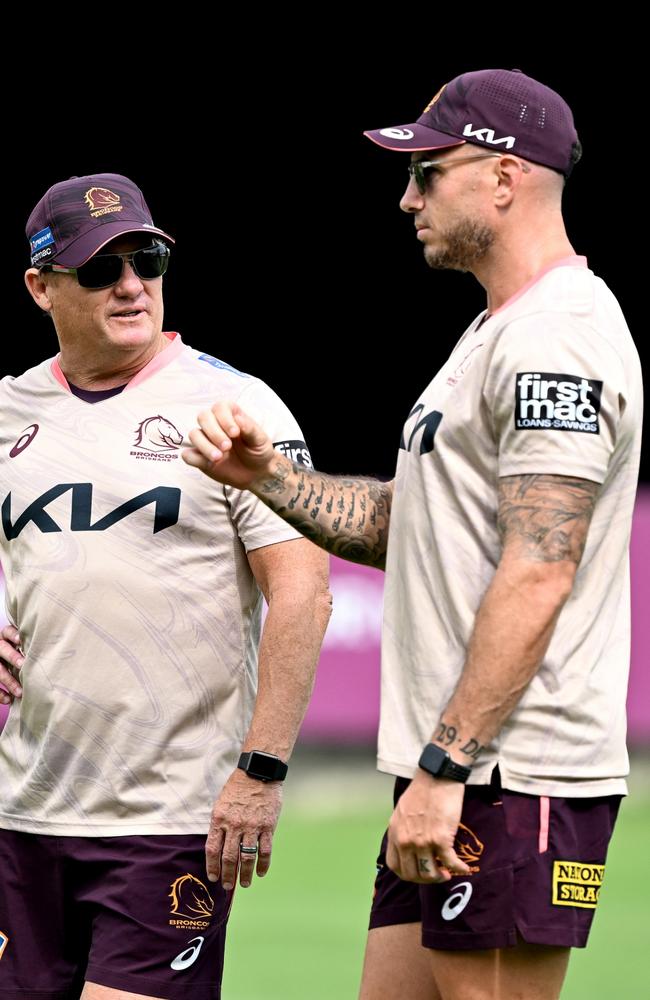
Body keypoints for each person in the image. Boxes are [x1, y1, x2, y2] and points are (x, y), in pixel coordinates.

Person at [179, 69, 643, 1000]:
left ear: (503, 178)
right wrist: (270, 478)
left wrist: (447, 767)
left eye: (428, 173)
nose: (406, 197)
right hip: (458, 767)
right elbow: (408, 527)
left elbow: (540, 569)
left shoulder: (559, 336)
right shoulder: (492, 333)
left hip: (513, 768)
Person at [0, 172, 331, 1000]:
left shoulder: (232, 403)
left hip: (169, 823)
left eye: (144, 259)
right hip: (21, 817)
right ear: (41, 287)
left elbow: (304, 592)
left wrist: (261, 773)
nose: (129, 285)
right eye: (97, 268)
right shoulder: (10, 410)